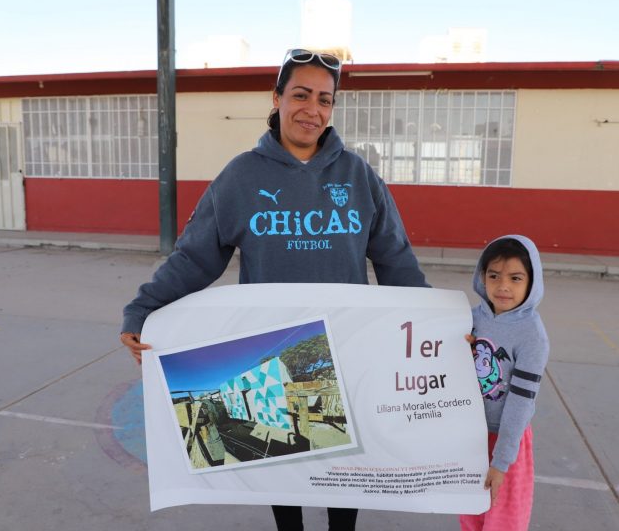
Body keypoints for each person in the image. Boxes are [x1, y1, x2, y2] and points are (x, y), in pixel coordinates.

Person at [120, 48, 429, 531]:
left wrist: (435, 327)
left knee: (345, 470)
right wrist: (143, 310)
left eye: (324, 99)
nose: (313, 110)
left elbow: (396, 261)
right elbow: (195, 258)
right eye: (301, 95)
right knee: (282, 471)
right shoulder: (242, 176)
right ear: (277, 98)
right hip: (271, 357)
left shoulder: (358, 176)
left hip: (346, 352)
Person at [459, 235, 549, 531]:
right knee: (471, 516)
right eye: (494, 275)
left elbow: (521, 403)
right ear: (482, 276)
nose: (503, 286)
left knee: (503, 521)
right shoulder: (468, 319)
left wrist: (500, 462)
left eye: (515, 278)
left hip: (506, 440)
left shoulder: (532, 335)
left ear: (532, 281)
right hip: (470, 436)